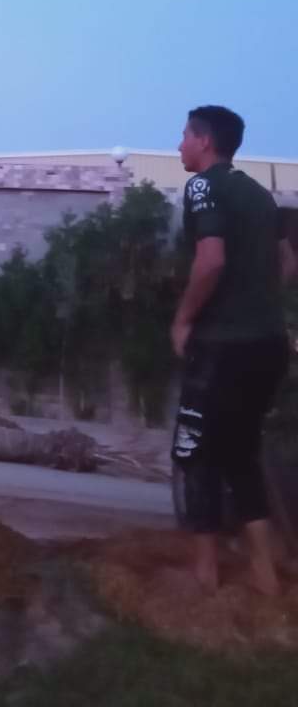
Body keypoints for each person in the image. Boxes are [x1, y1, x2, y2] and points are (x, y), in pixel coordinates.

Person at [171, 105, 296, 595]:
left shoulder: (204, 186)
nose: (180, 144)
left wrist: (184, 319)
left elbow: (211, 261)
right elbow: (287, 261)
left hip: (223, 346)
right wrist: (256, 299)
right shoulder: (259, 194)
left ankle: (205, 574)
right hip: (269, 344)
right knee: (240, 453)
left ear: (204, 141)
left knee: (195, 452)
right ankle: (265, 573)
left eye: (185, 135)